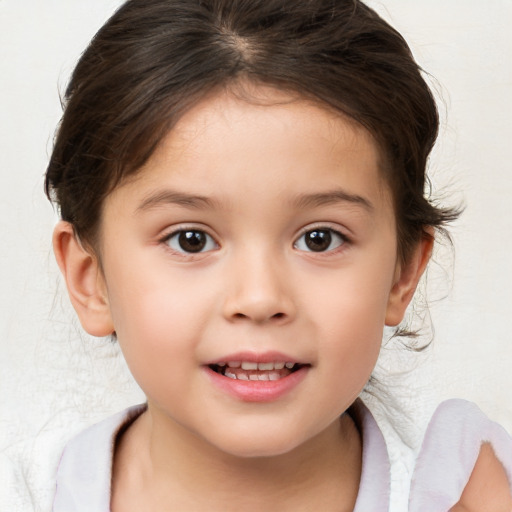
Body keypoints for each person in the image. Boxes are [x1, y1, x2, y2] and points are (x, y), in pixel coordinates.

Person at [44, 0, 512, 510]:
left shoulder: (465, 491)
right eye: (191, 239)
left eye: (320, 238)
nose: (260, 298)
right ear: (90, 279)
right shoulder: (24, 493)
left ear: (402, 273)